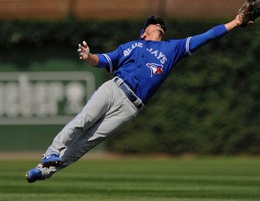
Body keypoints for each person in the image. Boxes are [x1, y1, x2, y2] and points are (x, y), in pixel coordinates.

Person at [25, 13, 242, 183]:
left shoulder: (173, 48)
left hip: (131, 107)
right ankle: (51, 152)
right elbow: (104, 60)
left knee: (86, 143)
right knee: (83, 120)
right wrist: (88, 56)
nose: (159, 24)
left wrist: (236, 21)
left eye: (161, 23)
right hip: (114, 89)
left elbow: (208, 36)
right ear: (143, 33)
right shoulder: (133, 45)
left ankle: (44, 171)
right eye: (153, 22)